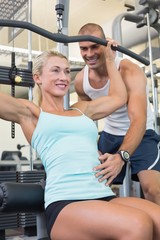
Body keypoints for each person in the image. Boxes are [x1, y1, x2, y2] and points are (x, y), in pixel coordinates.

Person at [1, 49, 160, 240]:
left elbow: (119, 97)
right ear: (38, 77)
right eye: (56, 70)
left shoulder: (82, 109)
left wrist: (110, 60)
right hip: (66, 202)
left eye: (67, 71)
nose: (64, 77)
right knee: (137, 224)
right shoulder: (31, 113)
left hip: (102, 195)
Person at [74, 22, 160, 205]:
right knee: (92, 187)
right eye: (83, 49)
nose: (89, 54)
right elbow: (86, 121)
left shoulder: (129, 70)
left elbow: (138, 118)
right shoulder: (81, 80)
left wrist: (122, 157)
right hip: (110, 135)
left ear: (105, 44)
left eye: (94, 46)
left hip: (141, 132)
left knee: (153, 190)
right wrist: (91, 147)